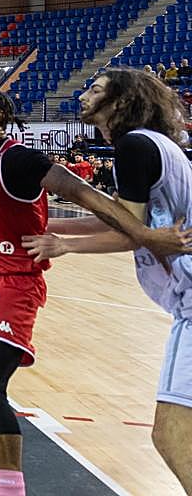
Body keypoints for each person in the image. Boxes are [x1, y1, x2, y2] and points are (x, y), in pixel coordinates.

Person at [0, 87, 190, 496]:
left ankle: (11, 491)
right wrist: (58, 229)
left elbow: (84, 193)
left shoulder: (19, 160)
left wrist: (143, 234)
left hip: (12, 283)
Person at [23, 69, 192, 490]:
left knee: (170, 434)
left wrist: (66, 247)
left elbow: (129, 232)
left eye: (95, 89)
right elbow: (129, 222)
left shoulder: (135, 146)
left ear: (121, 101)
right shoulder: (154, 146)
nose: (83, 94)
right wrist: (58, 231)